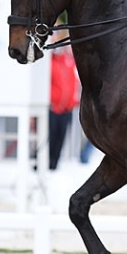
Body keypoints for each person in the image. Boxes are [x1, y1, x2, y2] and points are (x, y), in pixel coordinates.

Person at [48, 42, 80, 171]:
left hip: (67, 108)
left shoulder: (71, 64)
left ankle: (54, 164)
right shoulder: (53, 63)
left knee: (60, 138)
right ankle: (47, 162)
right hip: (53, 107)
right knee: (50, 137)